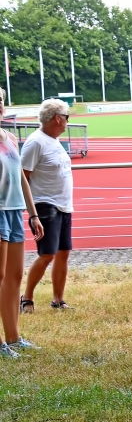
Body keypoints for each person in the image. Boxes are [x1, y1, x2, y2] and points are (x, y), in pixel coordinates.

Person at [0, 86, 44, 358]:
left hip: (14, 211)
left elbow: (21, 179)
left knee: (14, 276)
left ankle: (13, 338)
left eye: (0, 100)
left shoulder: (10, 138)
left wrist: (33, 213)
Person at [20, 99, 74, 313]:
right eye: (67, 117)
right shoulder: (36, 142)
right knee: (47, 254)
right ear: (58, 118)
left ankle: (58, 300)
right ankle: (27, 298)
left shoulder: (54, 140)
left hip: (63, 206)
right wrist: (33, 213)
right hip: (45, 207)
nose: (68, 121)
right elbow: (23, 177)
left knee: (63, 253)